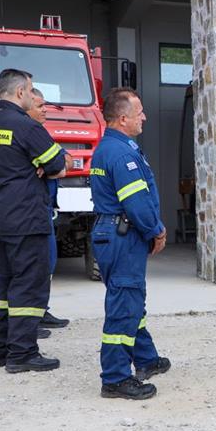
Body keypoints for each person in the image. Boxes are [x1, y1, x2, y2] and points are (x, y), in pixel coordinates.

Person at [90, 87, 170, 400]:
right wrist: (156, 230)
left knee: (131, 300)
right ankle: (115, 378)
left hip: (114, 233)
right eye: (139, 113)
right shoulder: (122, 153)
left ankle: (146, 358)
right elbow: (136, 202)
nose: (144, 117)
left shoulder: (112, 147)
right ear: (123, 118)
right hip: (123, 236)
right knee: (124, 305)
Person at [0, 68, 66, 373]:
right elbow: (56, 163)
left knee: (1, 288)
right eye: (31, 89)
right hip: (25, 218)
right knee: (28, 286)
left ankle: (2, 349)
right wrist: (39, 166)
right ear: (21, 92)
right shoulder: (24, 126)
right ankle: (22, 353)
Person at [27, 88, 71, 332]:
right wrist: (55, 165)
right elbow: (57, 165)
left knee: (47, 264)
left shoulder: (41, 133)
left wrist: (56, 164)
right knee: (30, 269)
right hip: (32, 212)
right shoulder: (26, 133)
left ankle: (40, 311)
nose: (46, 109)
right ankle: (29, 322)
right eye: (40, 105)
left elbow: (65, 161)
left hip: (46, 209)